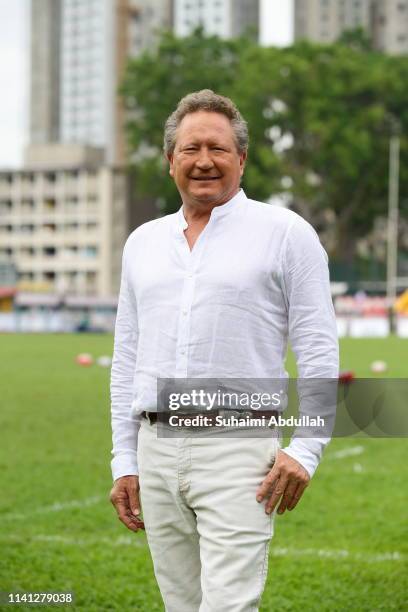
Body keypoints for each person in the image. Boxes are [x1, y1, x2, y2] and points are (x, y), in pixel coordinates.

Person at [109, 89, 339, 611]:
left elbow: (319, 349)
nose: (204, 161)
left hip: (240, 451)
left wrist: (305, 449)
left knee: (228, 605)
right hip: (156, 447)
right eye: (190, 149)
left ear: (242, 159)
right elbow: (126, 358)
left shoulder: (286, 234)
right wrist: (124, 458)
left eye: (218, 148)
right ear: (171, 161)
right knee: (181, 604)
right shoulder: (142, 242)